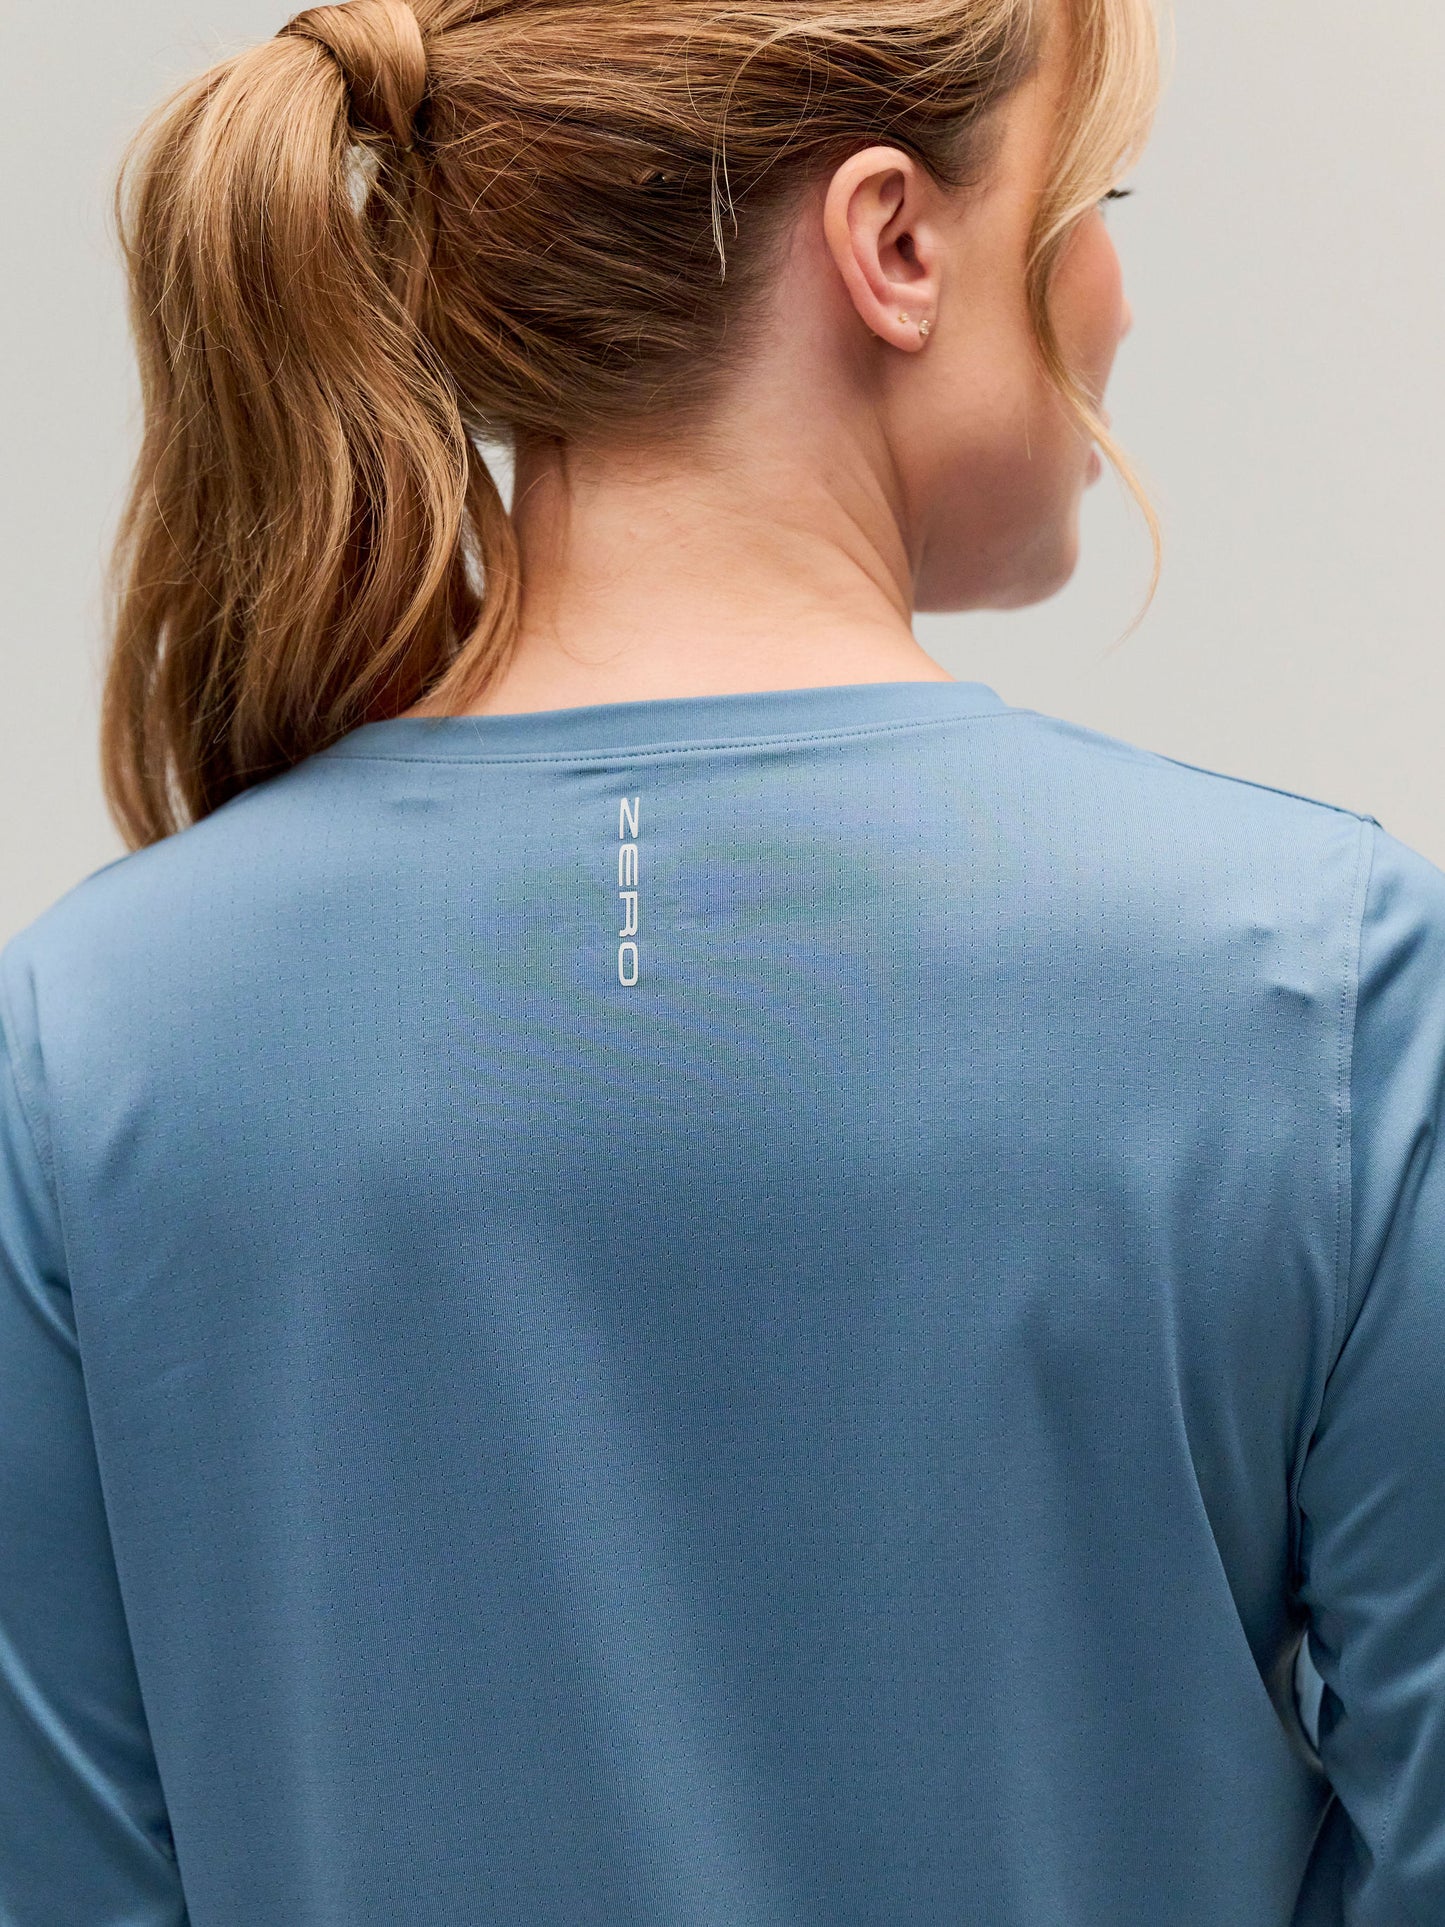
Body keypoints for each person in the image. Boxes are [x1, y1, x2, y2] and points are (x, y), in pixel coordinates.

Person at [1, 0, 1442, 1919]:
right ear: (893, 243)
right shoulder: (1319, 986)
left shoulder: (94, 1029)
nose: (1116, 296)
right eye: (1095, 202)